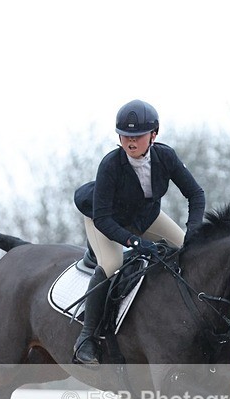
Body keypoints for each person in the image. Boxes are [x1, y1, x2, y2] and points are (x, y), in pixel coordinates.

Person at [72, 99, 206, 364]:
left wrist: (193, 230)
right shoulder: (111, 164)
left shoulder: (165, 157)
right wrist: (134, 242)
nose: (130, 141)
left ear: (154, 134)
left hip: (146, 217)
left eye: (137, 136)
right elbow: (103, 218)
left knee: (188, 253)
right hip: (106, 220)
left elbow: (196, 194)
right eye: (125, 136)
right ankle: (86, 338)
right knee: (112, 264)